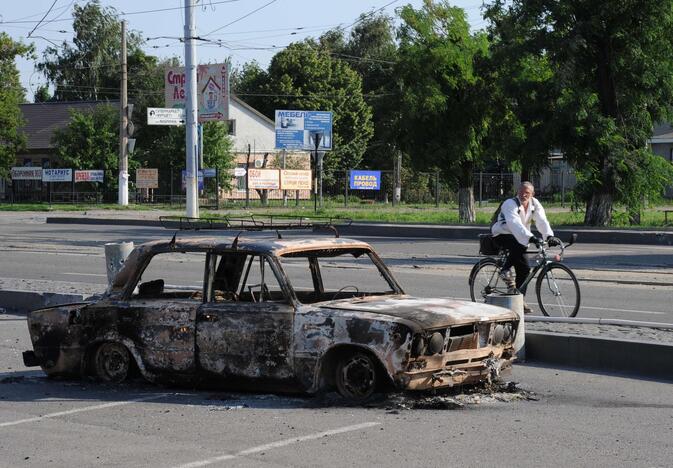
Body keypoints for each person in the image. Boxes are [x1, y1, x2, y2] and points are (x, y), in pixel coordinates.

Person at [491, 181, 559, 313]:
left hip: (520, 237)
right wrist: (531, 237)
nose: (523, 195)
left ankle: (519, 300)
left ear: (532, 194)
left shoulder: (535, 204)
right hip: (502, 233)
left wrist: (549, 236)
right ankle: (504, 270)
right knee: (520, 244)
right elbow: (514, 224)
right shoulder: (510, 203)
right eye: (521, 192)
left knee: (525, 269)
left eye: (527, 193)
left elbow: (542, 220)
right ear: (517, 192)